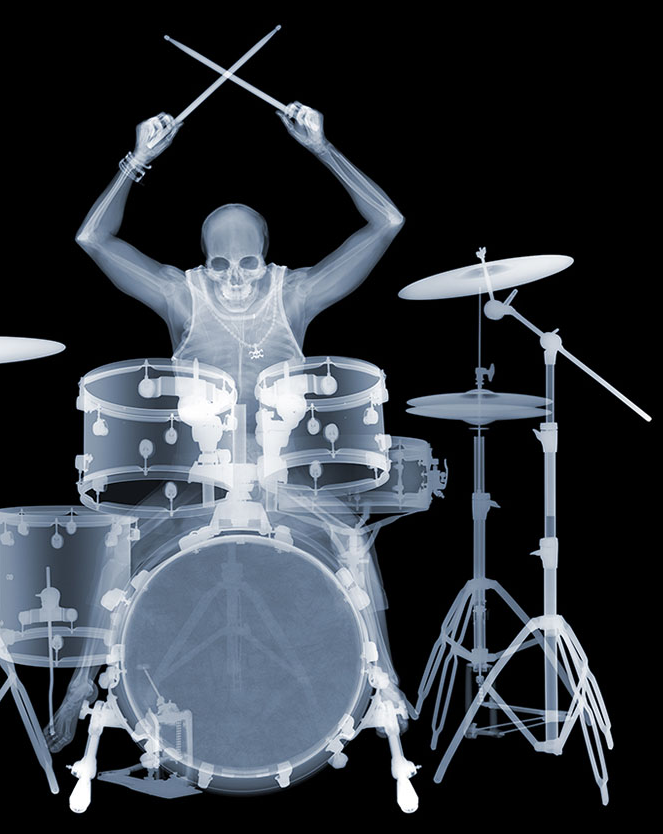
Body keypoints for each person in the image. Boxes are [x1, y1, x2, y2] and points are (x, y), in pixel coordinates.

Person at [46, 102, 405, 753]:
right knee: (118, 547)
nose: (234, 280)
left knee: (353, 541)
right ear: (202, 262)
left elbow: (388, 222)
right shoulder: (179, 293)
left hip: (277, 477)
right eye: (219, 265)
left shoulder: (295, 294)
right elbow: (91, 239)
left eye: (247, 265)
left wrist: (321, 148)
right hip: (201, 477)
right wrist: (136, 162)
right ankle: (77, 692)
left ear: (267, 260)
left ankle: (387, 684)